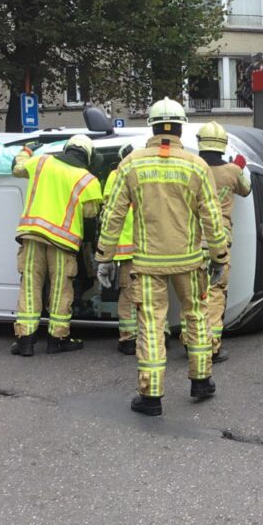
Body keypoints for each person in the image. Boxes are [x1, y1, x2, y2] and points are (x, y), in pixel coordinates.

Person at [96, 97, 228, 417]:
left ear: (152, 127)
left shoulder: (132, 164)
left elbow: (113, 215)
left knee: (151, 325)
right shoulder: (196, 165)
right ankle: (201, 380)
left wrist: (104, 257)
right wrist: (219, 256)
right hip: (189, 261)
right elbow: (212, 217)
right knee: (196, 317)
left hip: (147, 262)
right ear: (181, 128)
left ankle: (151, 396)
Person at [11, 133, 103, 356]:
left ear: (67, 148)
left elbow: (17, 168)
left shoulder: (42, 162)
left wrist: (26, 150)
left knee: (30, 286)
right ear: (88, 156)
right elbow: (91, 213)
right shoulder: (87, 179)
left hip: (32, 236)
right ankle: (57, 339)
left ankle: (25, 341)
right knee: (61, 290)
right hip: (63, 242)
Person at [197, 121, 252, 363]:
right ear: (222, 144)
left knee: (195, 294)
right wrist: (238, 167)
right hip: (219, 241)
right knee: (216, 292)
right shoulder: (231, 171)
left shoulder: (192, 167)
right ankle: (211, 347)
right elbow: (246, 190)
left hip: (193, 242)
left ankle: (191, 342)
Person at [101, 142, 138, 355]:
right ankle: (160, 334)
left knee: (128, 294)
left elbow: (110, 211)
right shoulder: (150, 172)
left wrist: (105, 250)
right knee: (154, 293)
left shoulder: (116, 175)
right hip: (152, 246)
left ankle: (129, 338)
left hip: (127, 248)